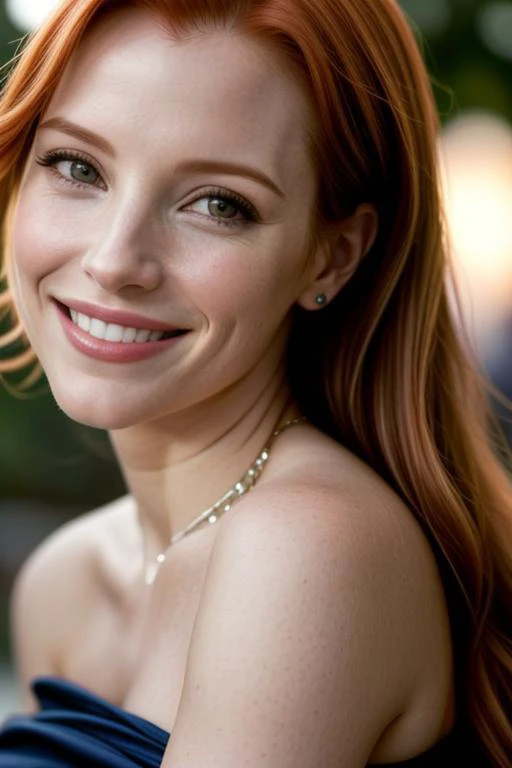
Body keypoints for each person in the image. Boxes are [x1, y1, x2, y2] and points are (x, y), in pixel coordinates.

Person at [0, 0, 510, 765]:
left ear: (331, 257)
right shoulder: (64, 581)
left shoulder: (311, 547)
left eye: (218, 204)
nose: (115, 260)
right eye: (78, 166)